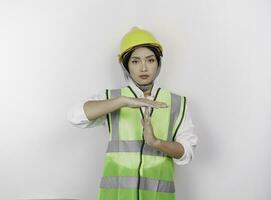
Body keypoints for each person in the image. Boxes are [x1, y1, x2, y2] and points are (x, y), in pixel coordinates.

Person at [67, 26, 198, 200]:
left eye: (150, 60)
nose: (143, 68)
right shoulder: (110, 98)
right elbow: (75, 117)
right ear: (126, 65)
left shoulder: (177, 103)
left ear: (158, 63)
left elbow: (186, 154)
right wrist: (123, 101)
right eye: (135, 61)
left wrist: (156, 142)